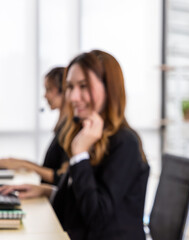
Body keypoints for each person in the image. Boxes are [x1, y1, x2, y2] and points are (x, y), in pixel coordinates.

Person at [0, 50, 150, 240]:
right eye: (70, 87)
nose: (73, 97)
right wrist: (48, 192)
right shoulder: (89, 135)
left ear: (109, 88)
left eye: (83, 86)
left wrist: (79, 155)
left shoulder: (125, 143)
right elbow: (77, 205)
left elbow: (96, 217)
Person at [0, 67, 68, 184]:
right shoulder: (62, 127)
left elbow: (61, 176)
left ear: (64, 91)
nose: (45, 96)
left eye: (49, 89)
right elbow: (51, 168)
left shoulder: (71, 129)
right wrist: (18, 163)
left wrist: (24, 164)